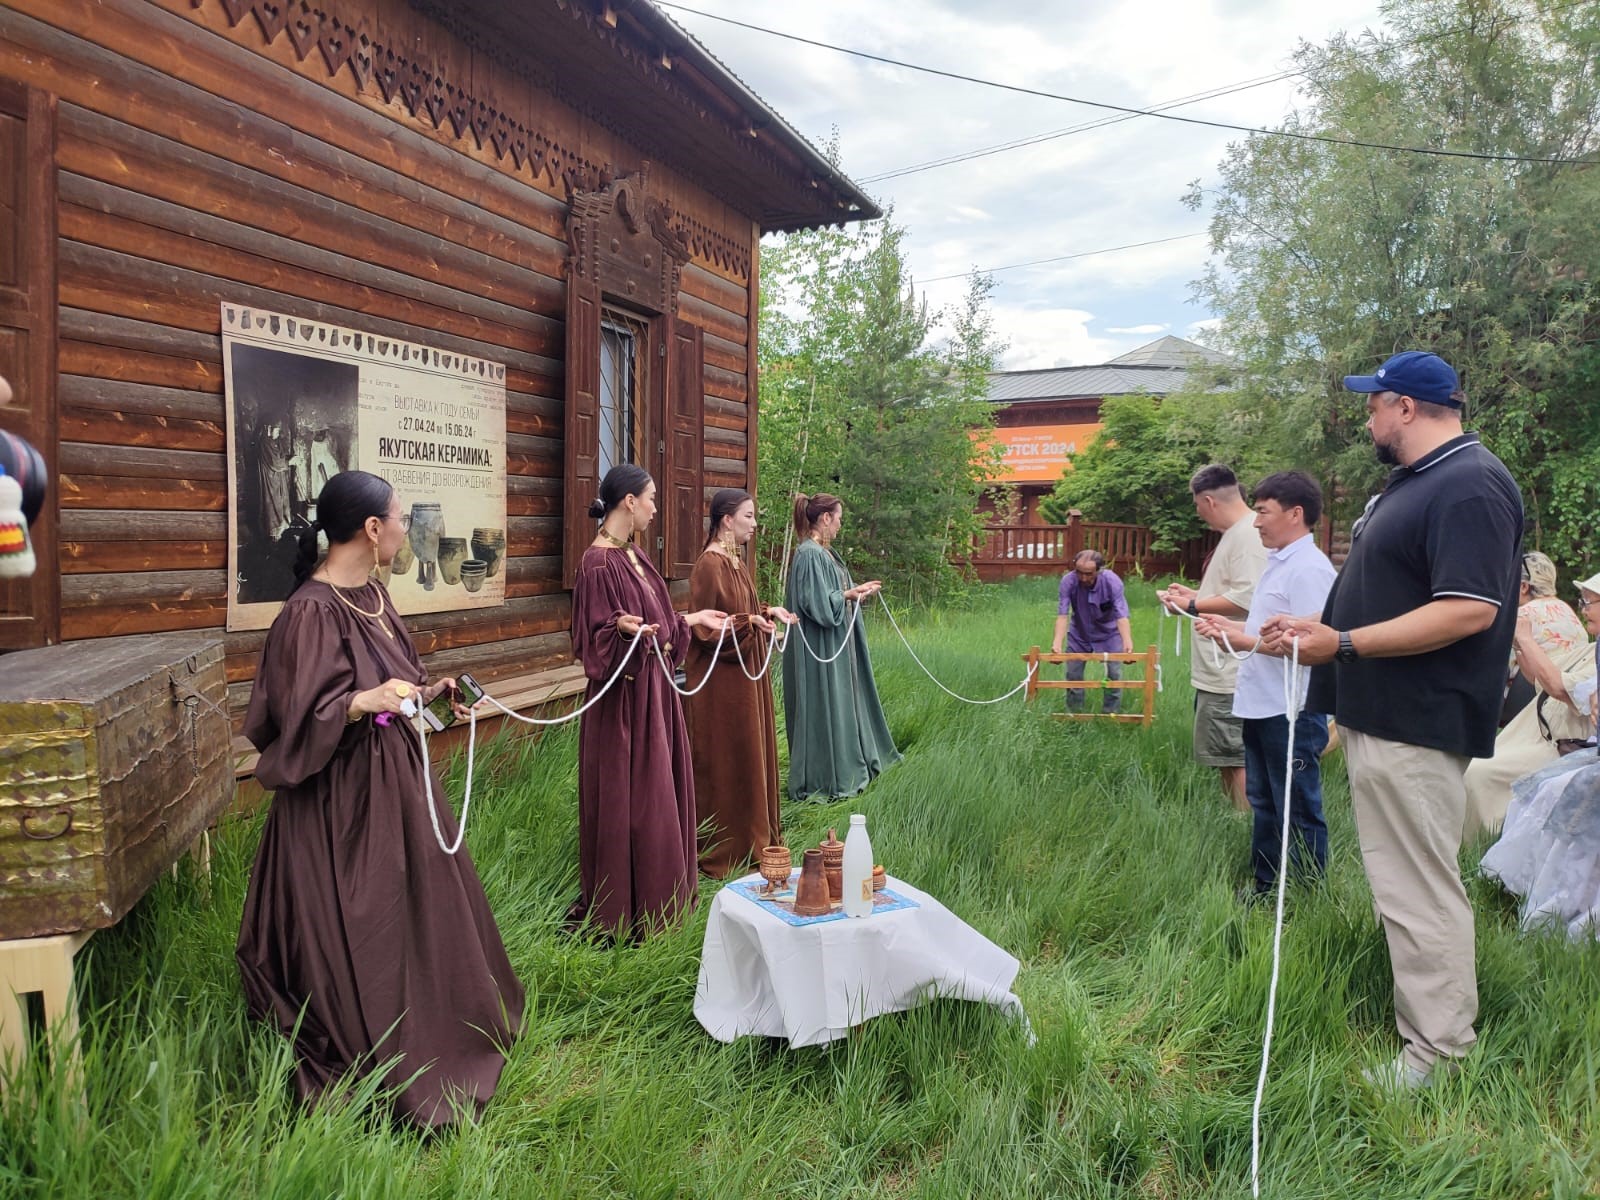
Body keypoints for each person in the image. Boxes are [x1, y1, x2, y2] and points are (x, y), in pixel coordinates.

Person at [1260, 350, 1524, 1092]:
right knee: (1401, 883)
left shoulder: (1470, 485)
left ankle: (1437, 1055)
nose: (1368, 417)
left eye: (1374, 404)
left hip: (1419, 718)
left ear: (1405, 406)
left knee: (1418, 888)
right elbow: (1393, 597)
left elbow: (1470, 609)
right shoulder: (1415, 484)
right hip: (1383, 712)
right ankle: (1425, 1026)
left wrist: (1340, 644)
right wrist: (1314, 624)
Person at [236, 470, 523, 1129]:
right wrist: (357, 704)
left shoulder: (373, 595)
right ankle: (382, 1045)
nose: (403, 526)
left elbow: (399, 690)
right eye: (398, 516)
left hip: (396, 783)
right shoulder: (310, 611)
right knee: (370, 922)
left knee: (421, 907)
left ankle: (439, 1023)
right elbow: (293, 721)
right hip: (339, 809)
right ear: (371, 529)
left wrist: (434, 693)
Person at [569, 464, 728, 935]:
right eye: (652, 497)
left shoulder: (633, 553)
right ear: (629, 502)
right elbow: (592, 641)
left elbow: (657, 618)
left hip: (654, 693)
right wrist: (620, 630)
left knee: (658, 794)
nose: (657, 507)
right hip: (623, 704)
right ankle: (630, 904)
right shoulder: (596, 563)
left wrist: (691, 617)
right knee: (634, 799)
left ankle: (662, 895)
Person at [1194, 471, 1337, 900]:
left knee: (1297, 804)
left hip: (1291, 708)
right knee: (1266, 801)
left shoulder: (1310, 569)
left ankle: (1308, 896)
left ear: (1295, 514)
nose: (1256, 522)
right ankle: (1267, 887)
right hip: (1260, 704)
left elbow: (1315, 643)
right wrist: (1233, 626)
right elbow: (1270, 630)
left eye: (1262, 512)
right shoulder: (1280, 563)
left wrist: (1242, 639)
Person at [683, 488, 797, 878]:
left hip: (746, 678)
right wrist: (750, 623)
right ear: (726, 520)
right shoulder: (709, 565)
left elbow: (741, 613)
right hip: (723, 688)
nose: (754, 524)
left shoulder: (735, 561)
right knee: (730, 758)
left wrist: (767, 612)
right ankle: (726, 846)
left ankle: (754, 839)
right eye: (748, 516)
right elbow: (706, 631)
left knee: (752, 754)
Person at [1158, 464, 1269, 809]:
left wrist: (1190, 604)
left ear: (1208, 500)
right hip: (1217, 669)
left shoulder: (1249, 536)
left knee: (1235, 756)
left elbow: (1247, 600)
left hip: (1230, 671)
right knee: (1224, 756)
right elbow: (1231, 592)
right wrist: (1194, 594)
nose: (1197, 513)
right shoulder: (1237, 534)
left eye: (1196, 505)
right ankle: (1234, 820)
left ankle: (1244, 826)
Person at [782, 492, 901, 800]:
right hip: (821, 650)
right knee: (825, 704)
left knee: (843, 701)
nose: (839, 526)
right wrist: (849, 595)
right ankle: (827, 775)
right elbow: (818, 606)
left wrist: (853, 591)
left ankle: (850, 760)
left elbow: (829, 593)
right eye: (838, 520)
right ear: (825, 518)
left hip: (834, 643)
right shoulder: (809, 554)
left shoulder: (825, 553)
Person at [1464, 570, 1598, 840]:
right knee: (1470, 762)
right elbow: (1539, 678)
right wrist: (1519, 643)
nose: (1582, 610)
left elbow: (1559, 687)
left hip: (1565, 747)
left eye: (1588, 603)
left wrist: (1525, 637)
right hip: (1537, 735)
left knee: (1479, 773)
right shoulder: (1592, 647)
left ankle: (1480, 851)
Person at [1500, 552, 1586, 724]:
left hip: (1533, 699)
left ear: (1523, 587)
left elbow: (1502, 664)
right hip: (1570, 701)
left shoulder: (1521, 615)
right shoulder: (1567, 610)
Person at [1051, 550, 1132, 713]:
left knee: (1114, 675)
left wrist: (1127, 642)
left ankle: (1111, 714)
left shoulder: (1111, 581)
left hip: (1109, 633)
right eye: (1079, 572)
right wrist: (1057, 644)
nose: (1083, 578)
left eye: (1088, 574)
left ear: (1099, 570)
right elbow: (1062, 614)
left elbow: (1121, 615)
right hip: (1079, 633)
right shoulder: (1068, 581)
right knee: (1073, 675)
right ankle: (1074, 714)